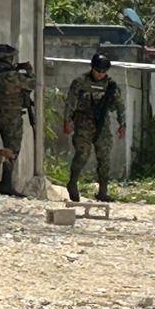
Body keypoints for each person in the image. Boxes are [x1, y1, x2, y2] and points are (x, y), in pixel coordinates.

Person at [62, 52, 125, 202]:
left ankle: (103, 192)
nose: (101, 74)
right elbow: (70, 102)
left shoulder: (111, 86)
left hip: (102, 125)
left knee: (104, 158)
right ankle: (72, 184)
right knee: (82, 155)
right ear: (92, 68)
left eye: (104, 72)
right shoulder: (80, 82)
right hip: (83, 123)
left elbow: (119, 106)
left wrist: (122, 124)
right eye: (98, 71)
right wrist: (67, 120)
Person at [0, 44, 36, 196]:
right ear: (7, 59)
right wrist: (28, 70)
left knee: (9, 148)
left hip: (1, 114)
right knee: (12, 150)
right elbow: (32, 83)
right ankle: (5, 183)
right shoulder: (11, 76)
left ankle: (4, 182)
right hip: (12, 116)